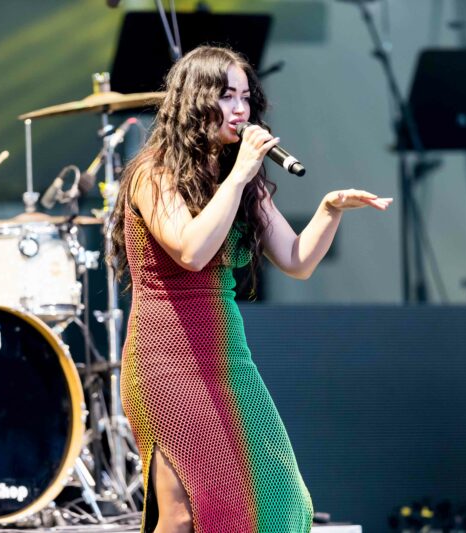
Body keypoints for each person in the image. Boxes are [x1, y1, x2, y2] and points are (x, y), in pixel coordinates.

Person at [109, 46, 391, 533]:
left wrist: (329, 210)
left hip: (226, 355)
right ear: (195, 101)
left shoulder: (242, 180)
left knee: (280, 500)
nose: (240, 109)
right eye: (226, 96)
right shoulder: (153, 174)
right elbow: (191, 251)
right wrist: (239, 175)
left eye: (245, 97)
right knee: (179, 515)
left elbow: (297, 260)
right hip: (164, 361)